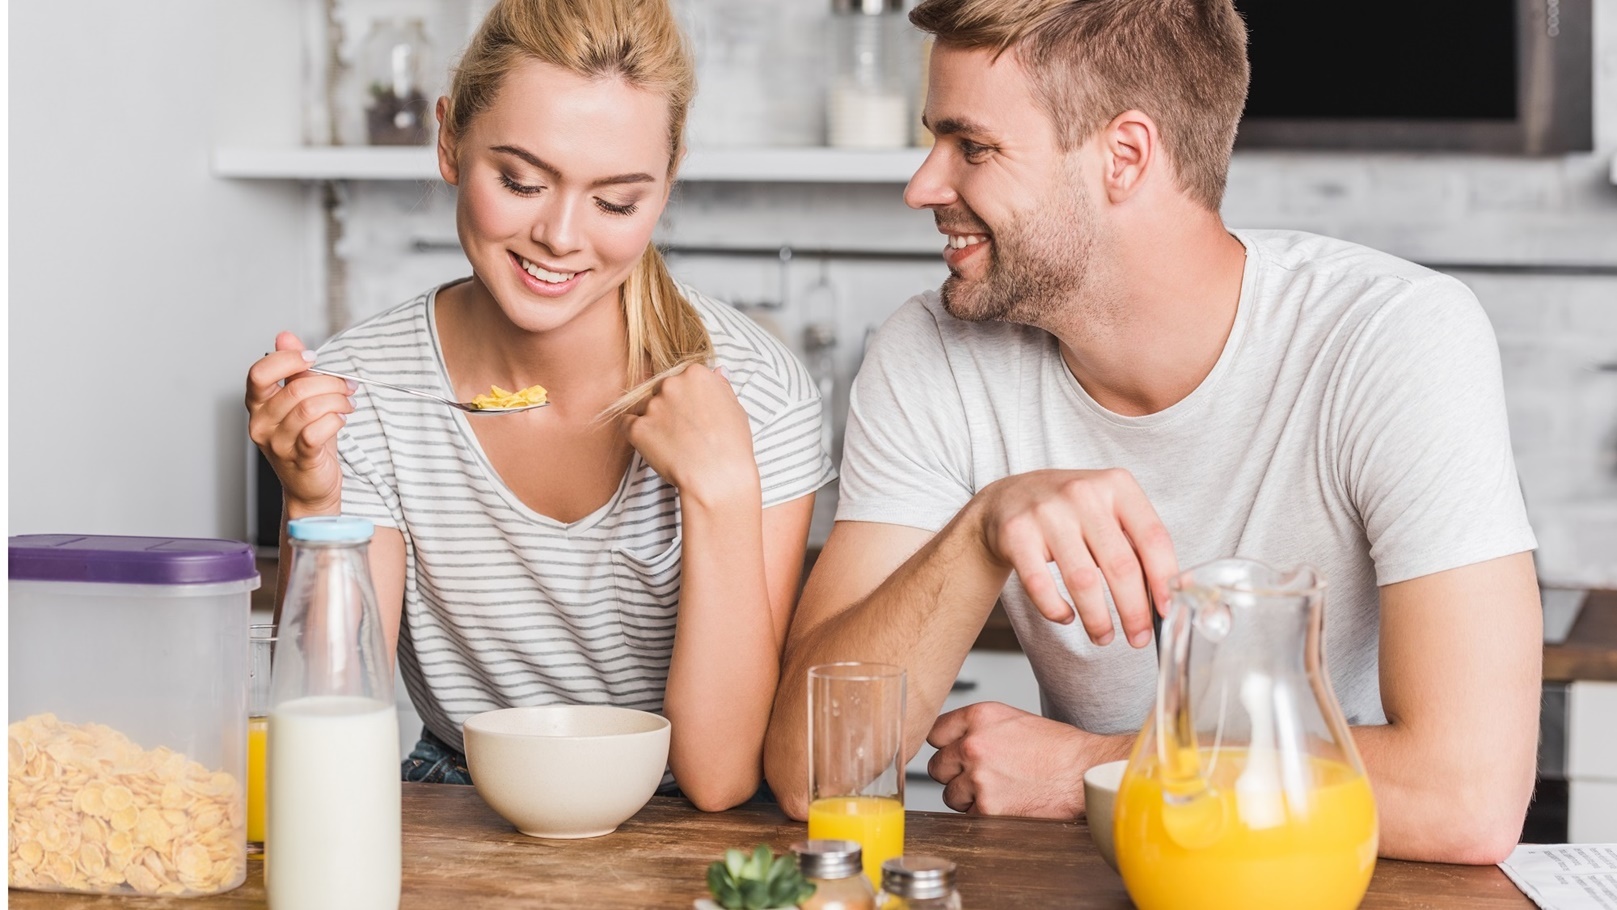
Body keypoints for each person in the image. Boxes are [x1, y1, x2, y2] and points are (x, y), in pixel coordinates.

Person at [764, 0, 1540, 864]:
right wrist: (980, 529)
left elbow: (1465, 795)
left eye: (971, 147)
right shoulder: (931, 353)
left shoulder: (1391, 336)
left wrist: (1085, 769)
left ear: (1123, 156)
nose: (923, 185)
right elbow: (813, 773)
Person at [246, 0, 834, 812]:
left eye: (616, 201)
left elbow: (720, 774)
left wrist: (722, 491)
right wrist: (314, 500)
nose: (560, 234)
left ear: (666, 182)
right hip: (461, 800)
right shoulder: (364, 389)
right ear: (448, 139)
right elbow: (327, 733)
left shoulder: (759, 393)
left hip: (684, 818)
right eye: (521, 181)